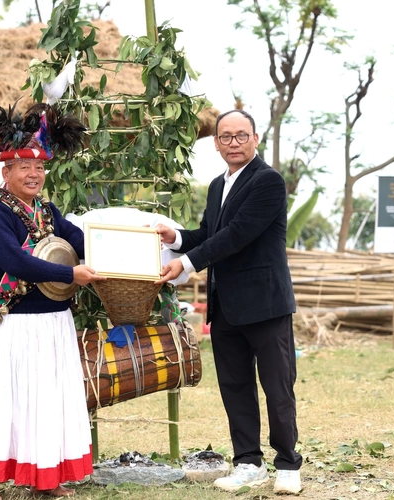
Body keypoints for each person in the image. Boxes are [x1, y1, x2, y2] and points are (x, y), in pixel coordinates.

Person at [155, 109, 302, 494]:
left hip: (266, 304)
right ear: (216, 143)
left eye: (241, 136)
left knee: (277, 385)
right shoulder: (219, 185)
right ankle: (248, 462)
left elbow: (237, 235)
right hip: (227, 306)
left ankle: (288, 464)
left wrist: (187, 263)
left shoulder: (268, 181)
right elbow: (208, 233)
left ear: (255, 139)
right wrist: (174, 238)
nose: (233, 143)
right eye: (225, 137)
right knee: (235, 386)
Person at [0, 101, 105, 499]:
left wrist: (113, 252)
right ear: (5, 170)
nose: (34, 174)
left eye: (40, 167)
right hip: (17, 324)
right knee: (9, 400)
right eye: (24, 166)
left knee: (51, 401)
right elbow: (16, 261)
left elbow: (79, 241)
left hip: (55, 321)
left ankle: (47, 479)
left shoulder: (46, 209)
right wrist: (71, 274)